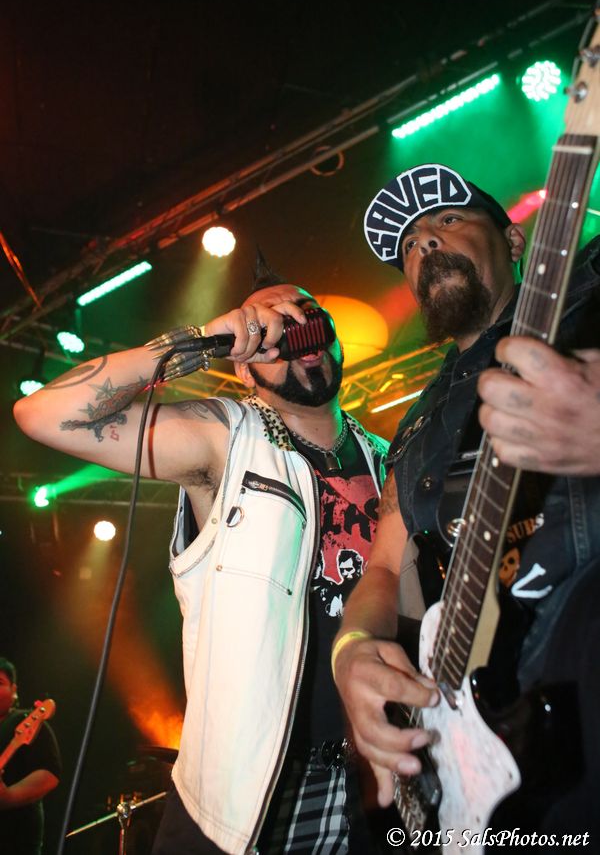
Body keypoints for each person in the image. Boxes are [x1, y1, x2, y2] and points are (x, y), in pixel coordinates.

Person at [14, 262, 391, 855]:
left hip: (377, 772)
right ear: (244, 366)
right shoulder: (227, 437)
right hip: (258, 786)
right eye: (275, 329)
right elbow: (43, 414)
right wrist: (204, 338)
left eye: (309, 317)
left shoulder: (390, 459)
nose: (297, 333)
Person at [333, 162, 600, 838]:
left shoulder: (590, 303)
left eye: (448, 220)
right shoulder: (416, 425)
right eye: (408, 244)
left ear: (513, 241)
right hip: (483, 739)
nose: (424, 242)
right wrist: (352, 651)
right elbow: (384, 568)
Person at [0, 658, 61, 855]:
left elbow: (49, 774)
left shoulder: (25, 721)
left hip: (15, 842)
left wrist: (9, 796)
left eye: (0, 683)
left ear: (14, 689)